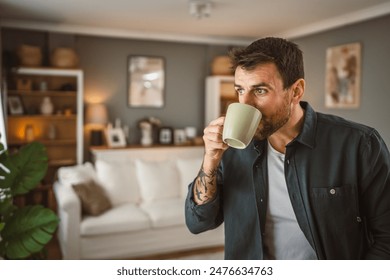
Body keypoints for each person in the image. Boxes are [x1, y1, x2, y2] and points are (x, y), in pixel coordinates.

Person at [185, 37, 390, 260]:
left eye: (260, 91)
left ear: (296, 90)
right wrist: (210, 161)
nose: (245, 103)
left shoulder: (359, 144)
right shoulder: (233, 147)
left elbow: (386, 238)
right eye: (240, 90)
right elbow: (198, 223)